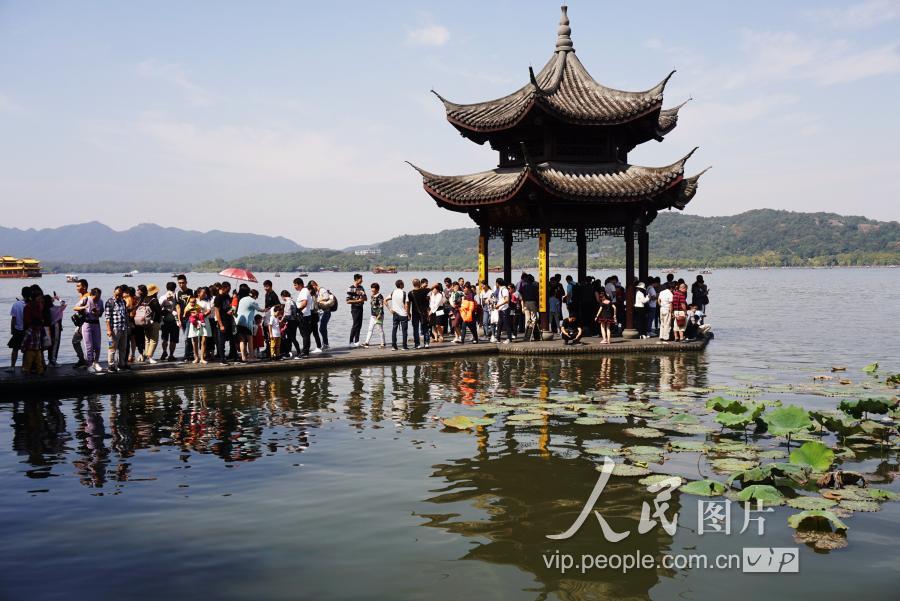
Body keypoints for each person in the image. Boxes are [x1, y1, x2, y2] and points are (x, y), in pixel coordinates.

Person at [104, 285, 129, 372]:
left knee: (123, 348)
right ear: (114, 292)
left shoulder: (123, 301)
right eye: (117, 294)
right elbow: (107, 318)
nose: (118, 296)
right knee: (112, 348)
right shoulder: (110, 302)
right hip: (114, 329)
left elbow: (125, 315)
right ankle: (111, 365)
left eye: (120, 295)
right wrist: (108, 330)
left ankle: (121, 365)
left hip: (123, 328)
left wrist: (128, 326)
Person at [235, 284, 261, 362]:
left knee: (242, 340)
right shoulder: (252, 301)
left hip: (238, 322)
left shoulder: (241, 299)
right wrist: (266, 309)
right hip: (247, 323)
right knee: (250, 340)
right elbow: (260, 310)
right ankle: (251, 357)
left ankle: (243, 357)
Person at [137, 284, 162, 363]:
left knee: (147, 339)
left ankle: (146, 355)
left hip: (146, 321)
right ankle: (150, 356)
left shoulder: (144, 299)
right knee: (154, 340)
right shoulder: (154, 300)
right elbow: (159, 311)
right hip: (154, 321)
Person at [6, 286, 29, 372]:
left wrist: (12, 329)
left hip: (18, 330)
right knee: (26, 350)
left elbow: (13, 319)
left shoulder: (16, 304)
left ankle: (12, 366)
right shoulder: (30, 305)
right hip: (27, 331)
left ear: (22, 294)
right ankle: (24, 367)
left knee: (15, 349)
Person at [214, 281, 235, 364]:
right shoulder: (218, 298)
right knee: (221, 341)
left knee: (232, 340)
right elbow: (217, 311)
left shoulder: (227, 296)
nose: (228, 291)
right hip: (222, 321)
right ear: (223, 288)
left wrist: (231, 310)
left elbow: (228, 307)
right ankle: (222, 358)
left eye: (229, 289)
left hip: (229, 320)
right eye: (228, 289)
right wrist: (221, 324)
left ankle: (234, 356)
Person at [159, 282, 181, 362]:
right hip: (174, 321)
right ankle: (171, 355)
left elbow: (159, 308)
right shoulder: (176, 297)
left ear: (166, 287)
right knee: (173, 339)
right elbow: (178, 308)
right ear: (175, 288)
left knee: (164, 338)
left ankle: (164, 351)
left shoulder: (162, 297)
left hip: (164, 321)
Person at [71, 279, 89, 368]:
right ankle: (82, 359)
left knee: (84, 342)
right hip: (81, 323)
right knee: (76, 341)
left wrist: (80, 308)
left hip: (85, 324)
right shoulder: (83, 296)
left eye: (78, 286)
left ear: (84, 287)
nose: (76, 288)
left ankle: (85, 360)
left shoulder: (87, 296)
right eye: (76, 286)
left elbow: (76, 308)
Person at [184, 293, 208, 364]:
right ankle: (196, 357)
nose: (192, 303)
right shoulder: (188, 306)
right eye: (191, 302)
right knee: (194, 341)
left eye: (193, 302)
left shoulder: (199, 304)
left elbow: (200, 312)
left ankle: (202, 358)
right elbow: (185, 314)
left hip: (200, 321)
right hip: (193, 322)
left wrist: (197, 313)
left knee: (203, 341)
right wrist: (190, 313)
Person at [386, 279, 409, 351]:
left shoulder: (393, 292)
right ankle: (404, 346)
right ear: (401, 285)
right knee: (404, 331)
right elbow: (406, 305)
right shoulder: (404, 293)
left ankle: (394, 346)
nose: (404, 284)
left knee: (394, 330)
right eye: (403, 283)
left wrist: (390, 309)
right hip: (403, 314)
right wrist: (408, 314)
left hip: (395, 314)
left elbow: (385, 300)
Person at [175, 274, 194, 361]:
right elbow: (178, 308)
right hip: (182, 319)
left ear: (186, 282)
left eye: (183, 283)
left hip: (190, 317)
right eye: (179, 283)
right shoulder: (177, 294)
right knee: (188, 337)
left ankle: (186, 355)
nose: (181, 285)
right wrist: (178, 320)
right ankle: (191, 354)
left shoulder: (192, 292)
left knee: (187, 337)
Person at [293, 278, 313, 358]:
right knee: (305, 334)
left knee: (305, 335)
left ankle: (305, 352)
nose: (294, 287)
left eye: (295, 285)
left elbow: (305, 303)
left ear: (300, 284)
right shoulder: (304, 291)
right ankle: (305, 351)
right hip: (305, 315)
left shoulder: (304, 291)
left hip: (303, 316)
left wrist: (298, 310)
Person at [409, 278, 431, 349]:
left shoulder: (410, 293)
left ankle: (417, 344)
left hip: (415, 313)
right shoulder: (424, 291)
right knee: (425, 328)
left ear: (413, 284)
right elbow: (436, 284)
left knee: (415, 329)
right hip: (423, 313)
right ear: (419, 284)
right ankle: (426, 343)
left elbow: (408, 304)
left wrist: (408, 313)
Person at [362, 282, 385, 348]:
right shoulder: (372, 295)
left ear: (377, 289)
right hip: (372, 315)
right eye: (371, 288)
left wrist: (380, 314)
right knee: (370, 329)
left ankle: (382, 343)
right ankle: (366, 342)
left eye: (373, 288)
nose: (372, 289)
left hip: (379, 316)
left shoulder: (380, 296)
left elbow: (381, 306)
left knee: (379, 329)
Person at [346, 274, 367, 347]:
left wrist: (363, 295)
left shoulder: (361, 287)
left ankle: (357, 341)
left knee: (359, 325)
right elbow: (348, 301)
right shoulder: (350, 288)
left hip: (361, 308)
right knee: (355, 325)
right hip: (354, 309)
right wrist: (358, 301)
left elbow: (366, 299)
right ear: (357, 279)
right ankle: (351, 342)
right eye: (361, 279)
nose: (362, 280)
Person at [315, 285, 336, 350]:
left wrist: (319, 300)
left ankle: (325, 344)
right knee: (323, 328)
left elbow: (326, 298)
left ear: (314, 286)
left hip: (325, 312)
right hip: (323, 312)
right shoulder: (319, 291)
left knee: (322, 329)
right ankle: (325, 344)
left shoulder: (322, 290)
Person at [280, 289, 300, 358]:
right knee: (292, 338)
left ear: (283, 296)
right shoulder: (293, 301)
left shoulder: (288, 302)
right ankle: (290, 352)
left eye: (282, 297)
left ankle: (296, 352)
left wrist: (281, 321)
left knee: (291, 338)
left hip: (290, 322)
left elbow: (287, 314)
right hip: (295, 321)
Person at [306, 281, 323, 354]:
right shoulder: (314, 295)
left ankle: (308, 348)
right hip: (315, 316)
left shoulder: (312, 296)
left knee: (309, 333)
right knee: (314, 332)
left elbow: (312, 308)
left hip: (313, 316)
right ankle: (318, 346)